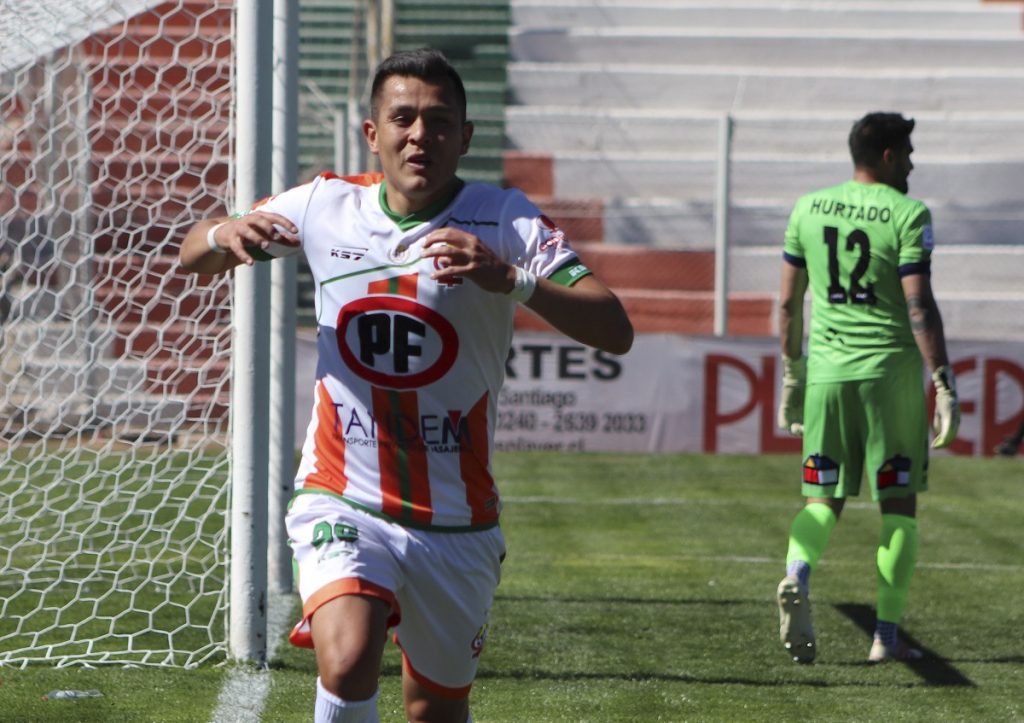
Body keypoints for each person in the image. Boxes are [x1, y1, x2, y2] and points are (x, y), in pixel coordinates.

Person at [179, 48, 633, 723]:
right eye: (403, 119)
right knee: (348, 657)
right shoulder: (325, 204)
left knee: (433, 710)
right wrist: (225, 231)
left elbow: (614, 327)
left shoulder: (504, 218)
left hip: (456, 519)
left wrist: (510, 278)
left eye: (440, 121)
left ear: (465, 136)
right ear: (373, 132)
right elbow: (196, 254)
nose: (421, 135)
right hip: (343, 495)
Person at [774, 112, 959, 665]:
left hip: (827, 378)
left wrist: (792, 374)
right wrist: (943, 380)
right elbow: (918, 305)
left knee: (822, 500)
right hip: (890, 380)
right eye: (908, 153)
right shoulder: (908, 212)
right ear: (888, 156)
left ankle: (797, 572)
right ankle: (885, 637)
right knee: (898, 507)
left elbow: (787, 305)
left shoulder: (808, 207)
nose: (912, 165)